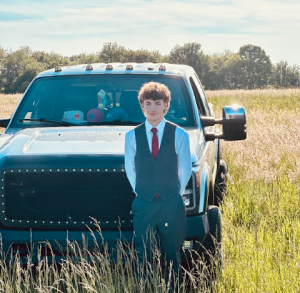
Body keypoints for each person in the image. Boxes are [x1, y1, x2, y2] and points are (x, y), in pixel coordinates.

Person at [124, 82, 192, 279]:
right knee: (143, 251)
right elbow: (130, 169)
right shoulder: (132, 136)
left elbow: (185, 169)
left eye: (157, 103)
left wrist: (172, 194)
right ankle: (145, 286)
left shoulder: (180, 134)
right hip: (143, 203)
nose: (152, 108)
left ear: (166, 105)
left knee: (172, 251)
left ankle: (173, 285)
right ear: (142, 106)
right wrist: (142, 192)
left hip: (171, 202)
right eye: (148, 103)